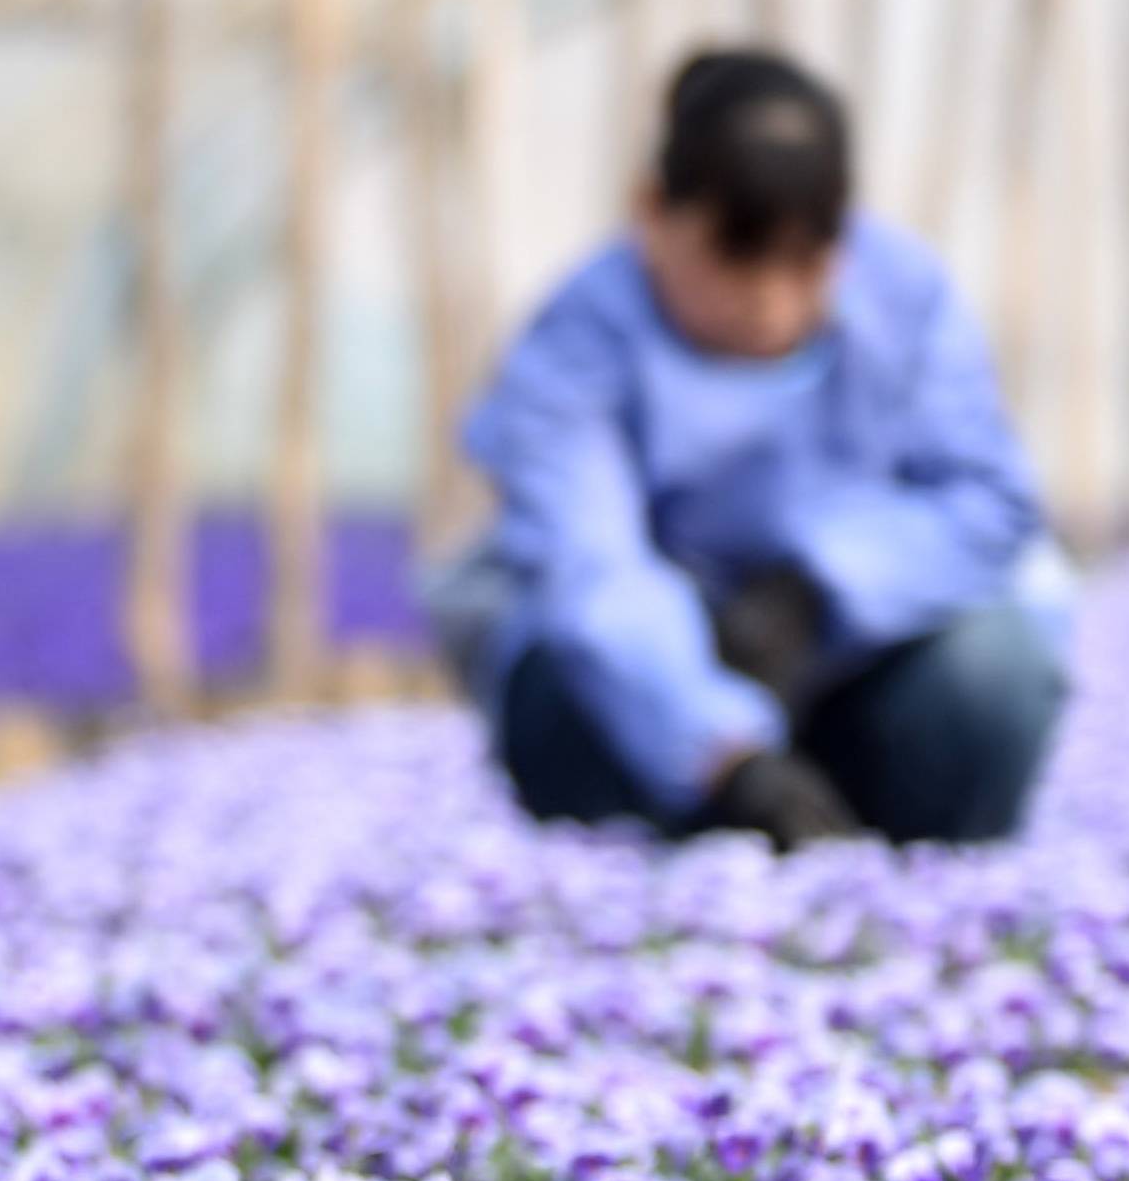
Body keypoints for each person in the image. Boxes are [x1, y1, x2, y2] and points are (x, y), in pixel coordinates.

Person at [445, 49, 1069, 849]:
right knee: (558, 685)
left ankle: (893, 854)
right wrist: (725, 754)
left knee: (992, 668)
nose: (772, 297)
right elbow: (589, 569)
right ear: (651, 212)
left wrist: (819, 590)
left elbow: (990, 503)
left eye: (808, 258)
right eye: (738, 251)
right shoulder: (578, 338)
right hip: (662, 686)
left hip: (858, 664)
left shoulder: (905, 297)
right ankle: (698, 845)